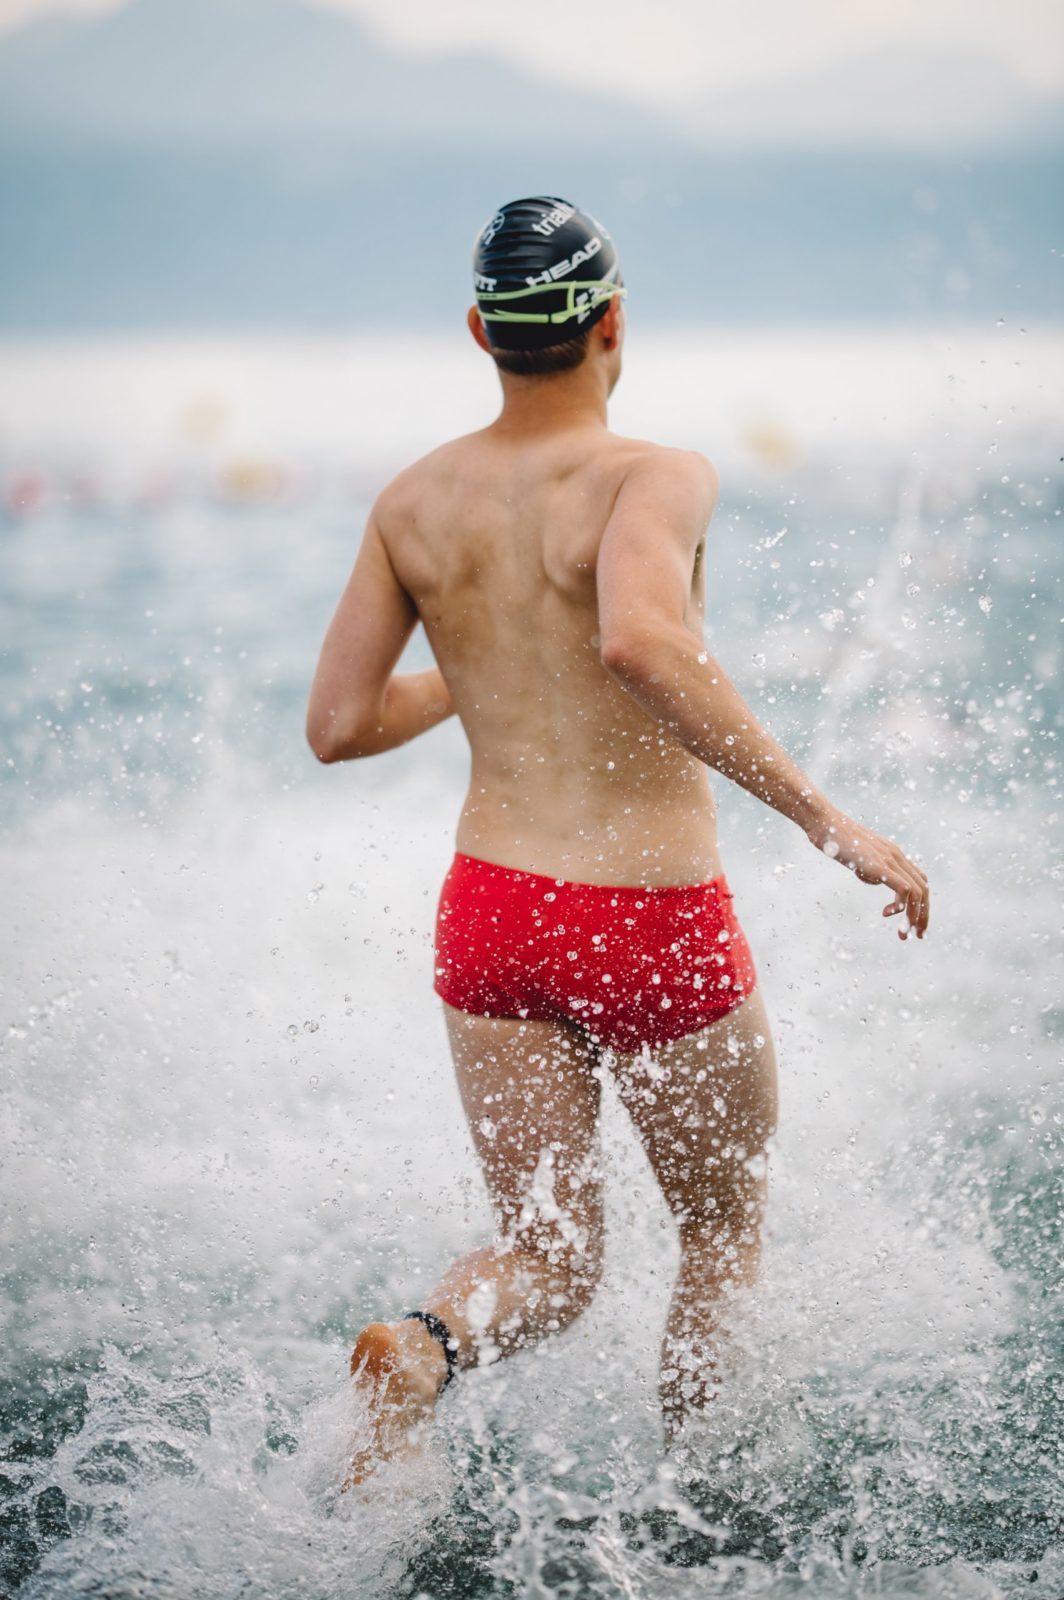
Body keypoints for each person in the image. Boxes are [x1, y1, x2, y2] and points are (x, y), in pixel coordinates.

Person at [305, 195, 930, 1486]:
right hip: (645, 915)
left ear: (481, 329)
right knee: (718, 1237)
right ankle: (705, 1520)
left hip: (492, 917)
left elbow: (340, 723)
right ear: (613, 325)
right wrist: (830, 820)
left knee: (547, 1258)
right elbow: (640, 640)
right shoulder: (656, 473)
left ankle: (425, 1344)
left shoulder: (411, 499)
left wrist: (479, 665)